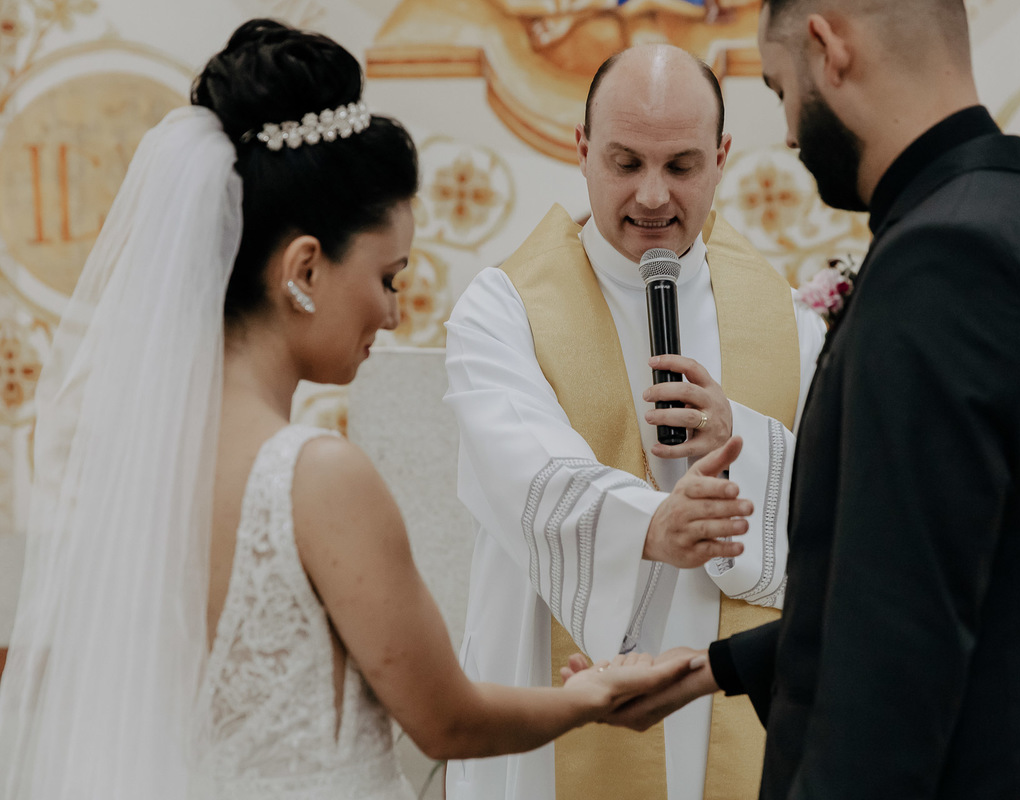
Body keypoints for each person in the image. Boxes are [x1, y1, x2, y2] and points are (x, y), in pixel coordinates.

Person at [0, 19, 699, 800]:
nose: (395, 313)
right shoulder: (313, 477)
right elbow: (447, 722)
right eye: (388, 276)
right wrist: (589, 698)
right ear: (304, 268)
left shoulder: (135, 457)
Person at [588, 1, 1020, 798]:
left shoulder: (947, 261)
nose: (788, 133)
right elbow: (973, 587)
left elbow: (898, 655)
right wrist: (714, 667)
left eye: (781, 92)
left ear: (827, 48)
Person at [443, 43, 827, 800]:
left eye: (681, 166)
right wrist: (653, 526)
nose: (653, 196)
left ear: (721, 159)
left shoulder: (787, 319)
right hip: (559, 701)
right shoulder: (504, 307)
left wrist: (739, 441)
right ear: (582, 150)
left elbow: (837, 496)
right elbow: (521, 468)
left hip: (726, 689)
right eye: (625, 163)